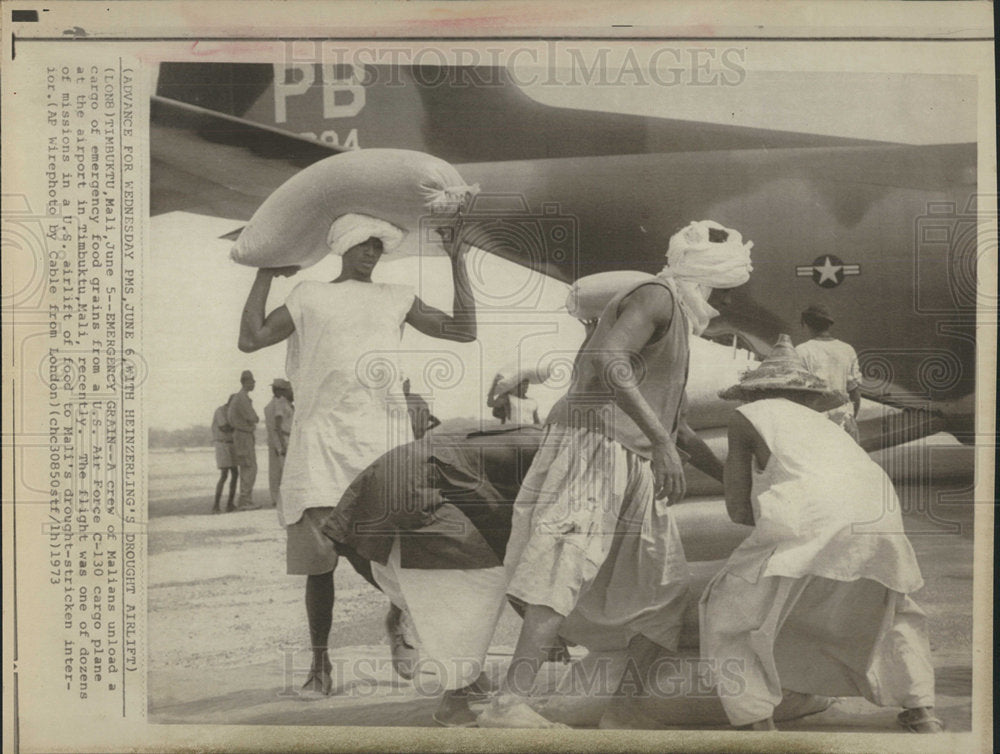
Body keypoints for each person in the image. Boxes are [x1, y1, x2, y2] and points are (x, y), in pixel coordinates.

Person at [479, 220, 754, 728]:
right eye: (720, 286)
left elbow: (682, 429)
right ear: (704, 276)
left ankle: (623, 706)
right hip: (595, 443)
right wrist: (659, 442)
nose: (721, 298)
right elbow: (610, 359)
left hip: (635, 459)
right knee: (562, 567)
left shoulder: (681, 327)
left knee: (662, 593)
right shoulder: (657, 297)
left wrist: (738, 486)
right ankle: (506, 705)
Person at [237, 211, 477, 697]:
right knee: (319, 564)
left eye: (377, 246)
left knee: (396, 554)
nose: (371, 253)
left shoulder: (396, 297)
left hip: (381, 444)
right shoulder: (309, 295)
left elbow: (463, 332)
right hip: (319, 443)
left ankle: (402, 626)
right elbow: (251, 339)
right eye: (363, 244)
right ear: (343, 246)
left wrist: (458, 263)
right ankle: (320, 666)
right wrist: (264, 274)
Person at [700, 334, 941, 733]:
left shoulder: (747, 416)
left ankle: (755, 718)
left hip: (811, 516)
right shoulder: (827, 424)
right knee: (893, 609)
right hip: (879, 515)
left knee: (728, 609)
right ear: (807, 396)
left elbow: (737, 508)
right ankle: (922, 711)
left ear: (754, 392)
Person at [795, 303, 863, 440]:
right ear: (828, 325)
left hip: (815, 424)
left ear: (806, 325)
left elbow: (797, 394)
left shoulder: (801, 351)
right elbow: (855, 392)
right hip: (844, 422)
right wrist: (851, 418)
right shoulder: (847, 349)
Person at [226, 370, 260, 511]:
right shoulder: (241, 398)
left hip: (243, 435)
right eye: (252, 381)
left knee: (248, 467)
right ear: (246, 382)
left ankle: (245, 499)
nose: (253, 384)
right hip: (243, 435)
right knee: (249, 467)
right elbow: (253, 417)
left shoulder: (241, 397)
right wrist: (252, 421)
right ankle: (245, 500)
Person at [264, 378, 295, 507]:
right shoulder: (280, 403)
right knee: (284, 470)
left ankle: (276, 498)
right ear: (281, 391)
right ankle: (281, 499)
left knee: (275, 471)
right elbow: (278, 426)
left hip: (275, 440)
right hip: (283, 439)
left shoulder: (270, 405)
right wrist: (282, 445)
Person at [210, 395, 239, 513]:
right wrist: (240, 426)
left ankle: (230, 504)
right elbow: (224, 427)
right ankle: (216, 505)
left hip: (231, 444)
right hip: (222, 444)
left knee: (235, 474)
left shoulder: (233, 412)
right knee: (224, 475)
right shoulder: (220, 411)